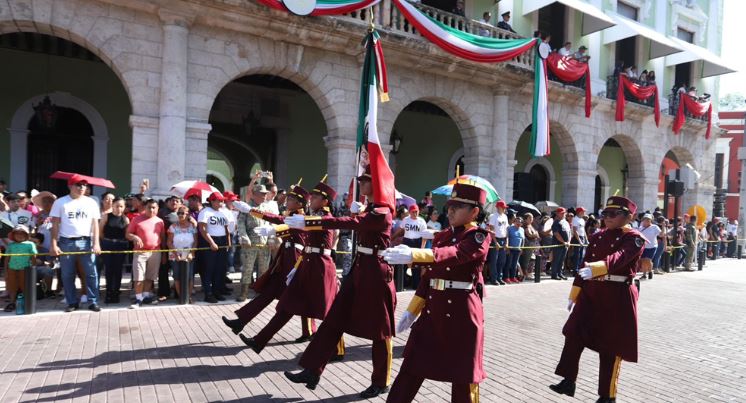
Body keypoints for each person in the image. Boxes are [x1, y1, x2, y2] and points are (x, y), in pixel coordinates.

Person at [284, 169, 396, 399]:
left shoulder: (382, 211)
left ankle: (381, 380)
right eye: (362, 179)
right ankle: (313, 370)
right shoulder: (371, 210)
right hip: (359, 268)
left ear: (377, 184)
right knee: (334, 319)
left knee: (381, 330)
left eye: (366, 180)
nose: (361, 182)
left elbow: (349, 222)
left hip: (376, 272)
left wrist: (309, 220)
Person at [383, 182, 490, 402]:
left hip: (462, 313)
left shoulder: (478, 237)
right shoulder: (441, 236)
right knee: (412, 366)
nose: (450, 210)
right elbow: (428, 278)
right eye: (449, 205)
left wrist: (416, 254)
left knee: (464, 376)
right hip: (434, 311)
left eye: (457, 207)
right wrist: (413, 310)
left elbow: (456, 254)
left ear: (474, 212)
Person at [549, 196, 645, 403]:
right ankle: (568, 380)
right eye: (605, 214)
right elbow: (584, 264)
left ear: (629, 217)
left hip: (617, 295)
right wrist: (575, 293)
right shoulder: (598, 236)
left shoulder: (634, 238)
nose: (607, 218)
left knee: (611, 347)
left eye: (613, 214)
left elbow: (620, 257)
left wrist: (597, 268)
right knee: (573, 332)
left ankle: (607, 395)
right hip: (592, 292)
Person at [239, 180, 342, 358]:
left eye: (316, 196)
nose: (312, 199)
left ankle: (338, 349)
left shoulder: (324, 218)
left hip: (321, 267)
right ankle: (259, 341)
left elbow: (285, 222)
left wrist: (252, 211)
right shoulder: (313, 215)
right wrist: (251, 211)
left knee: (328, 311)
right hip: (308, 264)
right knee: (287, 305)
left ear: (325, 201)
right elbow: (283, 221)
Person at [222, 184, 319, 343]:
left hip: (295, 260)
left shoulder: (300, 216)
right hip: (285, 258)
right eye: (288, 198)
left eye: (292, 199)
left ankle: (309, 330)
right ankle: (241, 321)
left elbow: (282, 222)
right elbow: (286, 226)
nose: (287, 201)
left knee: (298, 298)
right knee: (268, 292)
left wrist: (251, 211)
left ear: (300, 203)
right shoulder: (293, 213)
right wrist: (273, 231)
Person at [49, 175, 102, 312]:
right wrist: (54, 244)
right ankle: (72, 302)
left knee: (91, 273)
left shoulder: (91, 202)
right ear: (70, 186)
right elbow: (54, 224)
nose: (82, 187)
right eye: (78, 185)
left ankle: (93, 301)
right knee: (67, 274)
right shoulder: (60, 202)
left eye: (84, 185)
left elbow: (95, 224)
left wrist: (96, 243)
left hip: (86, 241)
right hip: (66, 242)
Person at [126, 199, 165, 308]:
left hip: (155, 252)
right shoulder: (136, 219)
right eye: (149, 207)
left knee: (150, 277)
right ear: (145, 208)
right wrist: (135, 237)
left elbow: (163, 238)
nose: (151, 210)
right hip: (140, 252)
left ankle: (146, 296)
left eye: (154, 207)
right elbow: (128, 234)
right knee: (139, 278)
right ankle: (138, 299)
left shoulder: (160, 221)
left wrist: (164, 254)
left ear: (157, 209)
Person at [236, 184, 272, 300]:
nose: (265, 196)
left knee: (263, 270)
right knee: (247, 268)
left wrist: (271, 238)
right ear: (255, 194)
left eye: (266, 194)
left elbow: (271, 224)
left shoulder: (266, 208)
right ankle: (244, 293)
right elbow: (240, 223)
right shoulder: (246, 208)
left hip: (264, 244)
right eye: (262, 194)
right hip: (250, 244)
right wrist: (244, 237)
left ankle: (260, 292)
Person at [197, 192, 231, 303]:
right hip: (210, 240)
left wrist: (228, 242)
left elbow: (226, 229)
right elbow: (202, 229)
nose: (221, 203)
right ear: (212, 201)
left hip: (222, 241)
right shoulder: (205, 212)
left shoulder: (222, 213)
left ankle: (217, 292)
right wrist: (211, 242)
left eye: (222, 201)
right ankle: (208, 293)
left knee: (219, 268)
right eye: (219, 201)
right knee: (209, 269)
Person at [100, 197, 130, 304]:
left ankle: (116, 292)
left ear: (124, 207)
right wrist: (105, 242)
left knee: (118, 270)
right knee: (108, 270)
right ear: (113, 206)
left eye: (121, 206)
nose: (119, 209)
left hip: (120, 245)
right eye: (117, 206)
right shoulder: (106, 217)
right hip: (108, 244)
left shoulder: (126, 219)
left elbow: (127, 234)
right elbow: (100, 232)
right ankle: (108, 292)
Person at [167, 205, 198, 301]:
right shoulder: (173, 227)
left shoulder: (192, 226)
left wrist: (191, 253)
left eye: (182, 213)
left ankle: (188, 296)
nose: (180, 215)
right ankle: (181, 296)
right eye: (178, 213)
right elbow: (169, 242)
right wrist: (176, 255)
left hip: (188, 254)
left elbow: (195, 242)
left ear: (188, 214)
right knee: (177, 276)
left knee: (189, 276)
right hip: (175, 254)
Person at [392, 205, 427, 289]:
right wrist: (393, 237)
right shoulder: (406, 220)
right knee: (404, 263)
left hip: (417, 242)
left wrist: (422, 248)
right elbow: (401, 230)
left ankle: (416, 285)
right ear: (410, 212)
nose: (415, 213)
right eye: (413, 212)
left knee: (415, 264)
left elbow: (424, 236)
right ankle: (402, 284)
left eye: (416, 211)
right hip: (407, 241)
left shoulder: (421, 221)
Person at [3, 225, 37, 312]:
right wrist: (6, 270)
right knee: (12, 286)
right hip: (12, 268)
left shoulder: (30, 244)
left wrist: (33, 269)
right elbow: (7, 258)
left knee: (24, 286)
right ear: (13, 235)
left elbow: (34, 257)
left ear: (26, 235)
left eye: (22, 233)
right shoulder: (11, 245)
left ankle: (26, 302)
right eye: (17, 233)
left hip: (25, 269)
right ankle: (12, 302)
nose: (19, 235)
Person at [488, 200, 509, 285]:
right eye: (503, 207)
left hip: (503, 239)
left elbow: (506, 230)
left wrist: (507, 242)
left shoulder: (505, 216)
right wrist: (495, 242)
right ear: (499, 207)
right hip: (496, 239)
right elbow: (491, 229)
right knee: (494, 261)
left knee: (502, 261)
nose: (504, 209)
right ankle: (494, 279)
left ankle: (499, 278)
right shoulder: (493, 216)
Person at [637, 214, 660, 279]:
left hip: (652, 246)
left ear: (650, 221)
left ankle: (650, 272)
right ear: (643, 220)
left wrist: (663, 227)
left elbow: (661, 235)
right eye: (645, 219)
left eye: (648, 219)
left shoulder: (655, 227)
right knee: (643, 260)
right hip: (643, 246)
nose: (646, 221)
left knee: (648, 260)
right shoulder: (640, 227)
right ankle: (644, 274)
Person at [551, 207, 571, 280]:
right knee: (556, 259)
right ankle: (554, 274)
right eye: (561, 213)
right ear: (557, 214)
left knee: (562, 259)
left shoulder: (565, 222)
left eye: (564, 213)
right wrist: (564, 242)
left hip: (565, 245)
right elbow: (556, 234)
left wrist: (568, 241)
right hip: (558, 244)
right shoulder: (556, 222)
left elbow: (569, 232)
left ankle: (559, 273)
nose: (563, 214)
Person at [521, 213, 540, 281]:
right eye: (530, 218)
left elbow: (537, 235)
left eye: (532, 217)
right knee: (525, 261)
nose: (531, 219)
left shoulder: (531, 225)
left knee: (530, 260)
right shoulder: (525, 226)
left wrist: (535, 234)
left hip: (532, 245)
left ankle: (528, 273)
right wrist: (535, 234)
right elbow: (529, 234)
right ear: (526, 219)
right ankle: (524, 274)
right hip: (527, 246)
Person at [505, 216, 525, 283]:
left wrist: (522, 248)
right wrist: (507, 248)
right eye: (517, 221)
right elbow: (507, 237)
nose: (518, 223)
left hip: (518, 249)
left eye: (520, 222)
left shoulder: (522, 229)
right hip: (510, 249)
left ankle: (513, 277)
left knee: (514, 264)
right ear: (514, 222)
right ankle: (506, 277)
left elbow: (523, 239)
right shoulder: (510, 228)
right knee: (508, 264)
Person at [572, 207, 588, 276]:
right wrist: (579, 241)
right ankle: (575, 270)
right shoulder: (575, 219)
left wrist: (586, 239)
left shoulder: (582, 220)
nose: (584, 213)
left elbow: (583, 230)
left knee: (582, 255)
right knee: (577, 255)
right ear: (579, 212)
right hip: (577, 238)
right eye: (583, 211)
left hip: (582, 237)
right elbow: (575, 231)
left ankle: (580, 269)